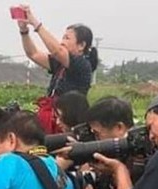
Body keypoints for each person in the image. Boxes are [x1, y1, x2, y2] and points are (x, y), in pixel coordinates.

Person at [15, 5, 98, 133]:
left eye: (67, 38)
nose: (62, 42)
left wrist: (35, 23)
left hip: (67, 122)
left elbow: (57, 51)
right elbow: (33, 54)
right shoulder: (60, 63)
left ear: (81, 45)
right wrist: (24, 31)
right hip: (52, 119)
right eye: (63, 37)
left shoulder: (82, 64)